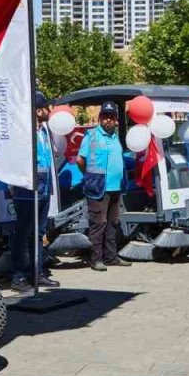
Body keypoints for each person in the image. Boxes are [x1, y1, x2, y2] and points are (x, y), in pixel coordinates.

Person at [9, 91, 58, 295]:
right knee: (23, 233)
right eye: (47, 108)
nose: (50, 111)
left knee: (38, 233)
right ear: (38, 111)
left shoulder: (43, 131)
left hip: (43, 188)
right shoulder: (23, 132)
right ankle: (18, 276)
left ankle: (36, 273)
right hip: (27, 191)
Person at [77, 101, 130, 271]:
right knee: (98, 223)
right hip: (98, 187)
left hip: (116, 187)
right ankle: (96, 260)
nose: (108, 120)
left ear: (116, 120)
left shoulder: (115, 137)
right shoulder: (91, 136)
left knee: (113, 223)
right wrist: (89, 176)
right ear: (100, 118)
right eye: (105, 117)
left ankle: (111, 257)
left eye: (111, 117)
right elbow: (80, 159)